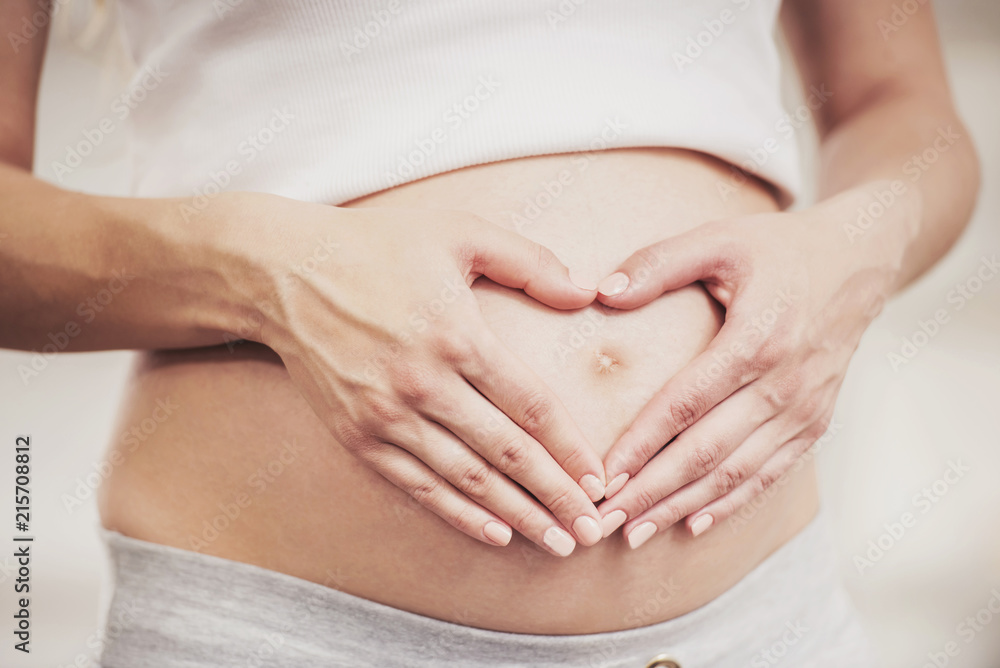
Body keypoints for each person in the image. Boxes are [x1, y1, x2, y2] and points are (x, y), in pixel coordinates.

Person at [0, 0, 978, 666]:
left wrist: (853, 246)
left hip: (754, 622)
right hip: (293, 629)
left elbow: (901, 109)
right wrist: (265, 269)